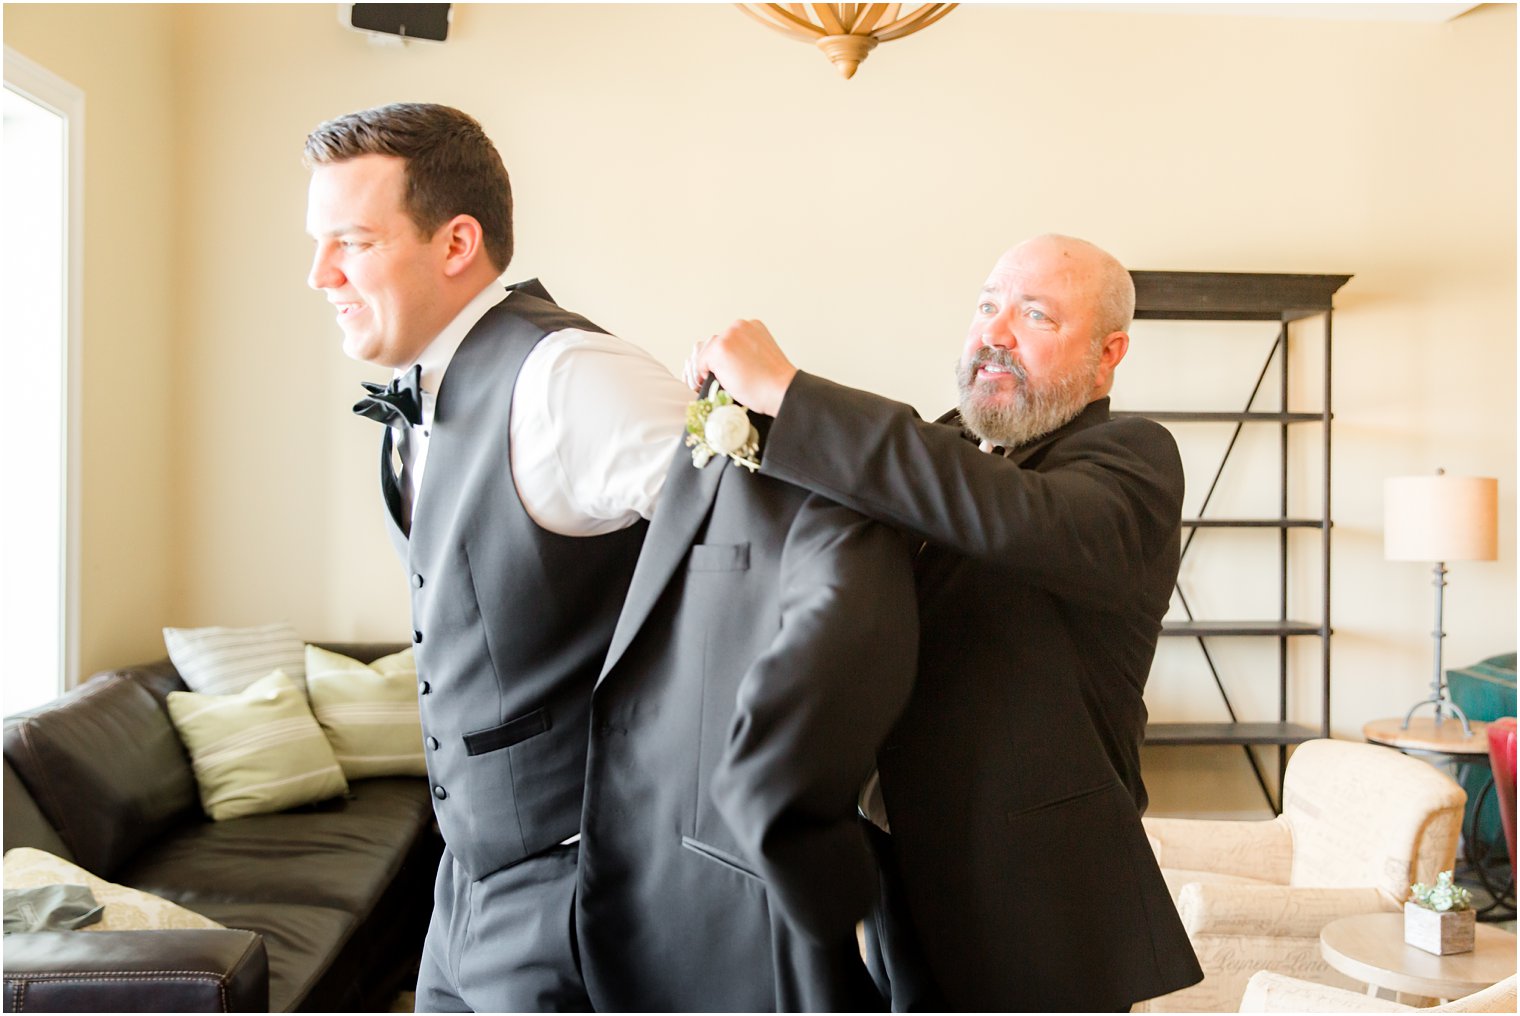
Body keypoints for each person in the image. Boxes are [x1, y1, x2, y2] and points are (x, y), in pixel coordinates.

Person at [691, 234, 1205, 1011]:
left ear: (1109, 354)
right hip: (901, 869)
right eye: (987, 306)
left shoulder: (1132, 458)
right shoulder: (945, 446)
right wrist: (748, 421)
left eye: (1034, 315)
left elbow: (1007, 514)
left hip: (1035, 905)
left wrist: (796, 393)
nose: (996, 332)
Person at [303, 102, 689, 1012]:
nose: (319, 274)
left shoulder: (569, 377)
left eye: (350, 243)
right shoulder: (418, 393)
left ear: (456, 242)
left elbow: (777, 543)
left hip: (576, 876)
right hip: (465, 872)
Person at [575, 383, 918, 1011]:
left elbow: (842, 619)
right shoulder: (670, 460)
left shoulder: (822, 484)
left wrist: (786, 805)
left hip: (729, 907)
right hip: (611, 880)